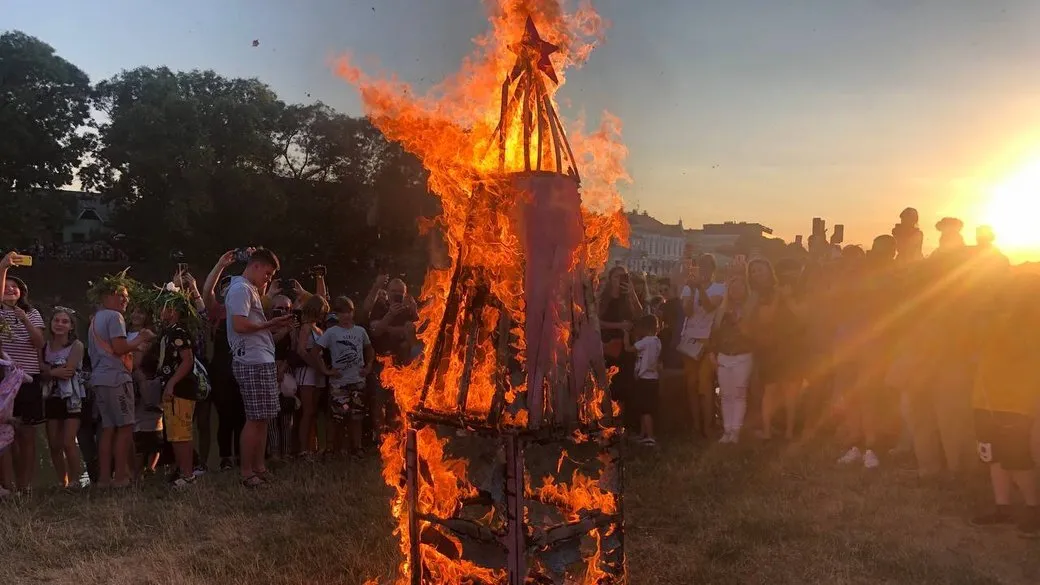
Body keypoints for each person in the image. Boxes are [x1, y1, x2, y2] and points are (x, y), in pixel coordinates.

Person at [969, 273, 1040, 537]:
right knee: (994, 457)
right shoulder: (995, 317)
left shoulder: (1031, 321)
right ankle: (1003, 507)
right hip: (985, 399)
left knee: (1018, 460)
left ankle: (1034, 509)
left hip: (1015, 403)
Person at [224, 248, 292, 488]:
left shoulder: (250, 289)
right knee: (254, 419)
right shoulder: (240, 289)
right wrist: (270, 323)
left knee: (264, 418)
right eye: (267, 273)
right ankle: (247, 472)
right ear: (255, 266)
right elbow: (240, 325)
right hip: (251, 361)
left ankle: (259, 467)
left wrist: (272, 325)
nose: (268, 279)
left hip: (262, 359)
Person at [88, 275, 155, 489]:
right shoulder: (115, 316)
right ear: (106, 296)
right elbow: (119, 348)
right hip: (116, 379)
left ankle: (104, 479)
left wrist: (133, 346)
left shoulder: (96, 318)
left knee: (108, 428)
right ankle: (120, 478)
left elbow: (112, 348)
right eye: (121, 295)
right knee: (125, 427)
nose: (125, 300)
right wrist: (141, 338)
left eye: (126, 296)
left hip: (100, 378)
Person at [1, 251, 47, 492]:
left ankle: (25, 487)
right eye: (6, 286)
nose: (11, 289)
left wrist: (25, 319)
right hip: (4, 382)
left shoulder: (32, 313)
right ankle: (7, 486)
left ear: (22, 292)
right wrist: (3, 267)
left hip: (28, 380)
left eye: (15, 287)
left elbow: (39, 343)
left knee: (26, 435)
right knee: (5, 436)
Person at [202, 251, 248, 471]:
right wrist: (220, 265)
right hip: (221, 370)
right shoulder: (218, 312)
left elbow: (260, 290)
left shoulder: (248, 309)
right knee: (224, 415)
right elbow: (206, 292)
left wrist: (253, 261)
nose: (229, 290)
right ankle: (225, 457)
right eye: (225, 288)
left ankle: (241, 455)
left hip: (243, 366)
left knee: (242, 414)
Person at [313, 296, 372, 457]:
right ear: (337, 314)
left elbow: (369, 349)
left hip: (357, 381)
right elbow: (315, 351)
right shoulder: (331, 332)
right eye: (342, 312)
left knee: (357, 415)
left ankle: (357, 447)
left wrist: (368, 366)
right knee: (336, 416)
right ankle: (331, 448)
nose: (346, 315)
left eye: (349, 312)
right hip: (339, 383)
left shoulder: (360, 331)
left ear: (353, 312)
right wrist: (326, 370)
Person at [156, 288, 202, 488]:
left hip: (181, 389)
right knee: (175, 433)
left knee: (182, 433)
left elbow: (187, 360)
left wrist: (172, 383)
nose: (161, 311)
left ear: (174, 310)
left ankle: (188, 474)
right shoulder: (168, 332)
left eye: (165, 307)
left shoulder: (179, 332)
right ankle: (182, 471)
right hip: (172, 389)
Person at [677, 254, 725, 439]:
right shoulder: (688, 288)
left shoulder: (719, 288)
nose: (704, 271)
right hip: (690, 341)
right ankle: (696, 426)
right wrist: (691, 289)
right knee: (691, 384)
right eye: (701, 267)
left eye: (707, 267)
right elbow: (688, 312)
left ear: (713, 270)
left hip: (707, 341)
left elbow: (709, 307)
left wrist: (699, 288)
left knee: (705, 385)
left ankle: (708, 426)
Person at [41, 308, 86, 489]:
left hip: (72, 398)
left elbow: (68, 371)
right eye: (56, 320)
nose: (60, 324)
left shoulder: (76, 345)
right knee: (54, 444)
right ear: (51, 324)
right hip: (51, 397)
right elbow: (40, 371)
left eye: (64, 321)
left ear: (71, 326)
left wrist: (49, 372)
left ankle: (75, 481)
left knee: (68, 441)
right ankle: (62, 481)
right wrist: (52, 372)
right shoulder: (44, 346)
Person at [711, 274, 755, 444]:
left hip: (743, 355)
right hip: (724, 356)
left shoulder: (749, 309)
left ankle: (735, 431)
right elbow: (715, 331)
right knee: (726, 395)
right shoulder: (723, 310)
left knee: (739, 394)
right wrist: (712, 353)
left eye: (740, 287)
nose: (736, 290)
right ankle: (727, 430)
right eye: (733, 287)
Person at [598, 266, 642, 427]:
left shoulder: (627, 297)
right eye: (616, 277)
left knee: (626, 384)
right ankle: (608, 420)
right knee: (610, 384)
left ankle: (624, 423)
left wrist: (632, 293)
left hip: (626, 347)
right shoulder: (604, 299)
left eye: (623, 277)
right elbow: (597, 322)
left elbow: (639, 314)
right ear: (610, 279)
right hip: (609, 346)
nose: (619, 280)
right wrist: (618, 325)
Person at [295, 294, 330, 460]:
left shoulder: (319, 329)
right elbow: (301, 350)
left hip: (319, 372)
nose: (324, 314)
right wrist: (316, 366)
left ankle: (312, 446)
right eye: (322, 311)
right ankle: (303, 449)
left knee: (314, 411)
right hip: (308, 372)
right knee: (307, 411)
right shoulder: (306, 328)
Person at [623, 314, 661, 446]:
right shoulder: (656, 341)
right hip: (653, 378)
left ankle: (649, 436)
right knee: (644, 408)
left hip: (644, 379)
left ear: (645, 328)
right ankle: (643, 434)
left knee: (645, 410)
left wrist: (626, 333)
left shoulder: (646, 341)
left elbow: (628, 348)